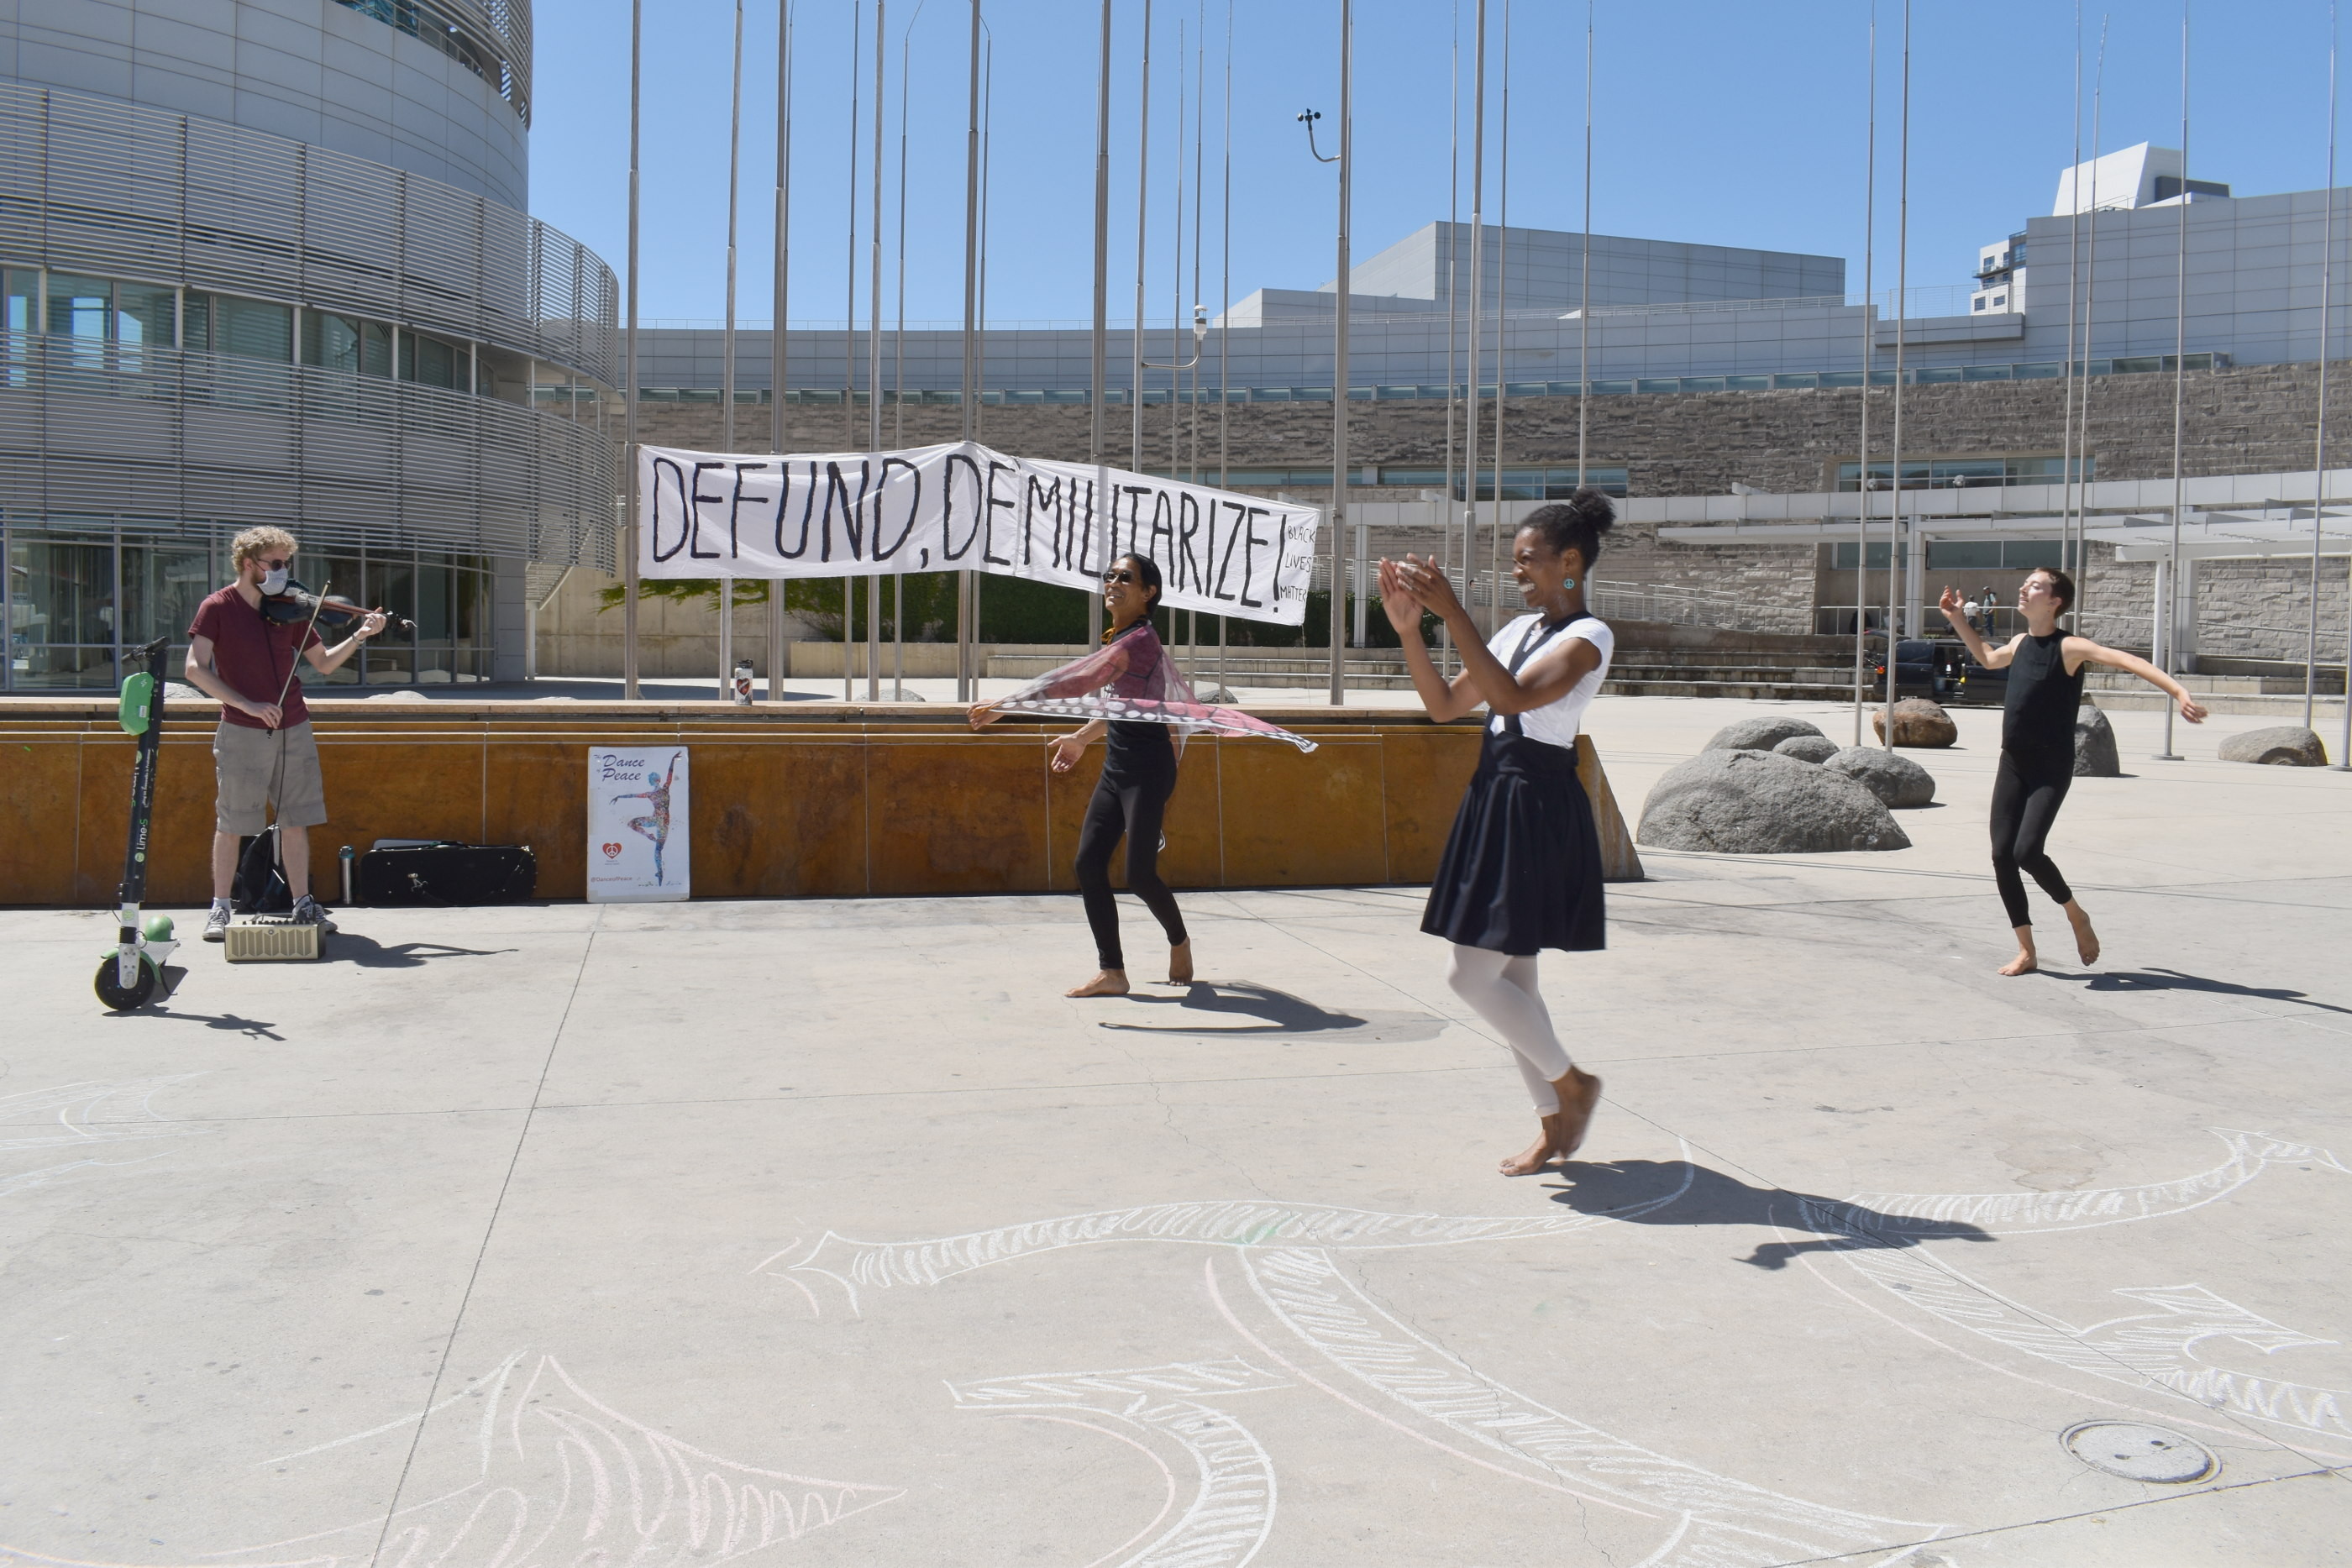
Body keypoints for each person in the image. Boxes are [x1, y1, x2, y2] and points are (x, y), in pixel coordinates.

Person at [1378, 491, 1617, 1177]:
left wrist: (1453, 613)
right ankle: (1552, 1123)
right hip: (1494, 795)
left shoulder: (1589, 637)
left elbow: (1512, 699)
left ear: (1570, 562)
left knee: (1469, 974)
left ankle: (1572, 1084)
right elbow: (1447, 706)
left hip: (1536, 804)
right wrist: (1410, 631)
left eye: (1528, 560)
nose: (1517, 572)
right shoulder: (1514, 631)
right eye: (1515, 562)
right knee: (1516, 981)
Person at [1939, 568, 2206, 976]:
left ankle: (2076, 914)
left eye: (2035, 586)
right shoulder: (2020, 642)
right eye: (2026, 583)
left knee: (2027, 850)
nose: (2025, 589)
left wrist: (2180, 692)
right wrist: (1958, 620)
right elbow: (1989, 659)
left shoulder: (2071, 647)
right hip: (2012, 761)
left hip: (2050, 766)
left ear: (2055, 601)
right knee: (2001, 854)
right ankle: (2027, 950)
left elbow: (2128, 661)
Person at [970, 554, 1194, 998]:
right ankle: (1113, 972)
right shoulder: (1124, 638)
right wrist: (1082, 739)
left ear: (1148, 593)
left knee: (1140, 875)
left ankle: (1179, 941)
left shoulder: (1140, 641)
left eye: (1124, 578)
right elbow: (1120, 707)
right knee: (1088, 864)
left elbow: (1080, 682)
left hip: (1148, 769)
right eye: (1109, 576)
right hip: (1118, 764)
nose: (1112, 582)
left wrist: (1008, 705)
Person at [184, 527, 386, 941]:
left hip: (293, 723)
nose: (283, 572)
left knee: (296, 820)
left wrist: (359, 635)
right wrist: (247, 704)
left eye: (286, 564)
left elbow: (325, 663)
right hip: (242, 728)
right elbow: (194, 669)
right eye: (275, 564)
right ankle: (221, 908)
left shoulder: (290, 608)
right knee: (232, 821)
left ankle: (303, 903)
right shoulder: (217, 607)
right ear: (248, 564)